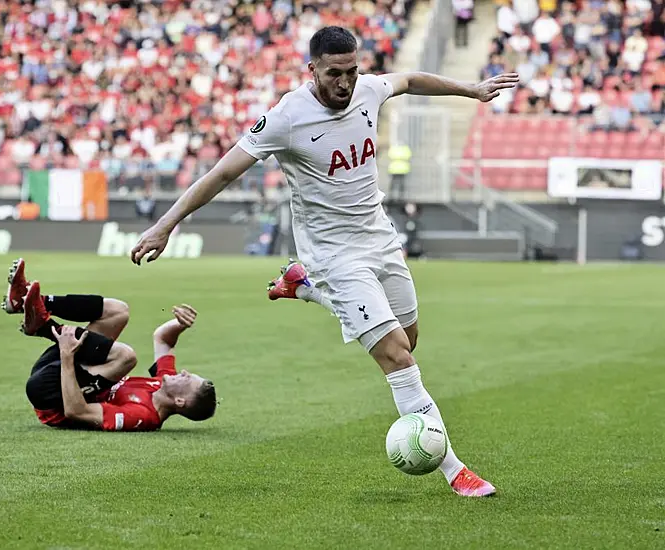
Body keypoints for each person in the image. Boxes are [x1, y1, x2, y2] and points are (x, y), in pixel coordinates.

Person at [131, 26, 518, 497]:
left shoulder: (369, 89)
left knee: (408, 340)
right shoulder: (286, 117)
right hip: (334, 256)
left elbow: (411, 79)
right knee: (396, 355)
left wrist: (471, 91)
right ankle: (455, 471)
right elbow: (223, 172)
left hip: (379, 239)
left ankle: (303, 287)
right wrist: (166, 223)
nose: (346, 83)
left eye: (352, 71)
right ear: (312, 69)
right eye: (335, 73)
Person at [2, 258, 217, 431]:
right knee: (118, 311)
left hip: (50, 395)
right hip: (64, 368)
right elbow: (163, 339)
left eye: (189, 379)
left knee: (126, 357)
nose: (185, 372)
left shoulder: (143, 415)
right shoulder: (160, 382)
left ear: (180, 401)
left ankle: (44, 326)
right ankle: (27, 303)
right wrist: (180, 324)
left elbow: (77, 412)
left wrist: (67, 357)